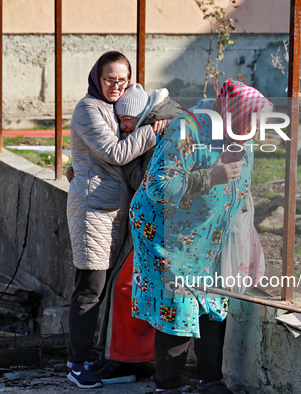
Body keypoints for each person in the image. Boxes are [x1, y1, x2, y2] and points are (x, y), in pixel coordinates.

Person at [129, 79, 273, 394]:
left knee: (215, 301)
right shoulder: (186, 129)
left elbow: (242, 190)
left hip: (211, 236)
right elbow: (158, 187)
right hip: (167, 235)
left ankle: (211, 380)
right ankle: (166, 385)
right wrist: (209, 177)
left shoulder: (241, 133)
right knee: (179, 303)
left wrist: (246, 235)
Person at [66, 51, 162, 389]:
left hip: (113, 215)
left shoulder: (116, 107)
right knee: (89, 290)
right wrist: (151, 130)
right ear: (97, 78)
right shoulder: (88, 109)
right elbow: (115, 153)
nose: (116, 86)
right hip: (93, 213)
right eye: (110, 79)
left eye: (122, 80)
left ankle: (99, 357)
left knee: (103, 290)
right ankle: (77, 363)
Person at [94, 83, 181, 379]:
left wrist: (131, 154)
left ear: (139, 114)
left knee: (127, 286)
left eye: (125, 119)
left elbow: (148, 181)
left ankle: (130, 361)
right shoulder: (152, 126)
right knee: (128, 286)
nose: (122, 126)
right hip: (151, 227)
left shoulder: (161, 128)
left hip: (163, 228)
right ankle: (124, 357)